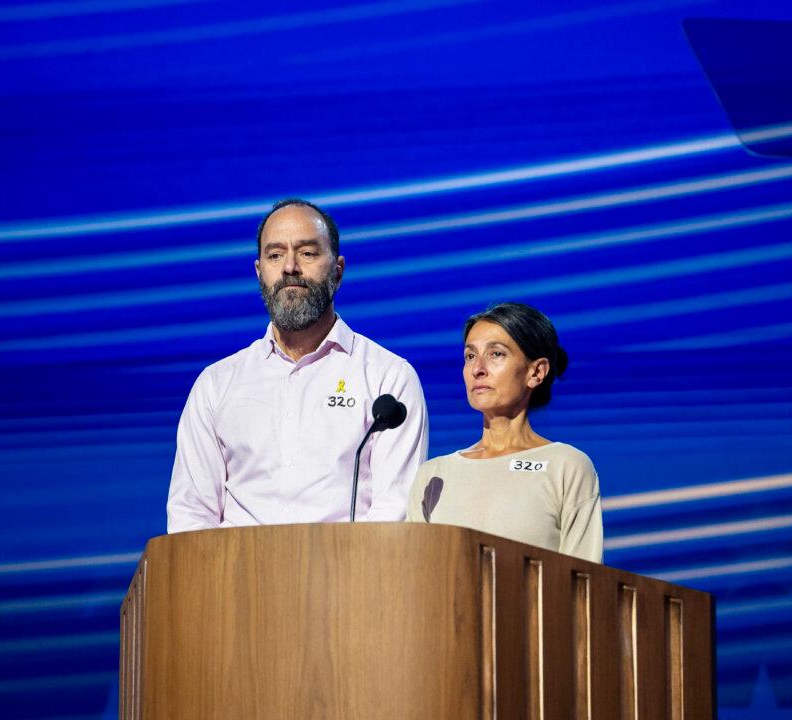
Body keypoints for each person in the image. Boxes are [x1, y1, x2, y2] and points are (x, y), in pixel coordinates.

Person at [167, 199, 429, 532]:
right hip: (235, 581)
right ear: (259, 271)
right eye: (275, 255)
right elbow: (191, 514)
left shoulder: (388, 379)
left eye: (307, 253)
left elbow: (395, 512)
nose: (290, 267)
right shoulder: (216, 385)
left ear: (338, 269)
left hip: (348, 579)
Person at [406, 302, 602, 563]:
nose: (478, 369)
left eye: (496, 354)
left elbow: (584, 581)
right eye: (470, 356)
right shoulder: (434, 475)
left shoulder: (566, 466)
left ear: (536, 372)